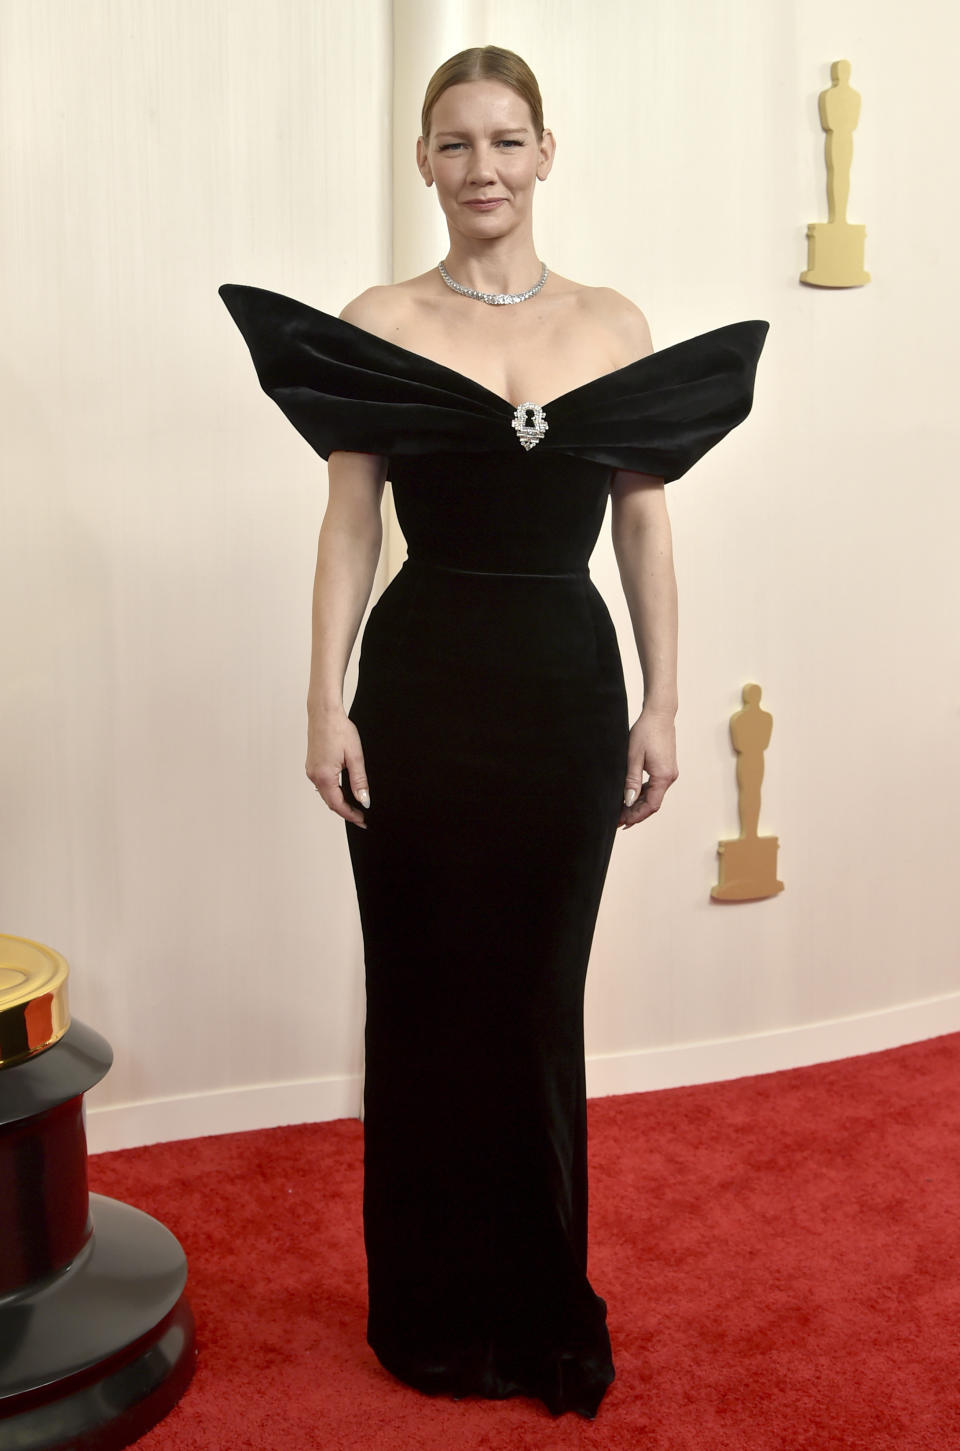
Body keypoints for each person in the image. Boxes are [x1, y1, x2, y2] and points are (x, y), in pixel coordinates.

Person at [220, 44, 767, 1421]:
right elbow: (350, 524)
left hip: (565, 696)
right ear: (424, 161)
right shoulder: (381, 319)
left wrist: (663, 700)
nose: (484, 169)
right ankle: (427, 1314)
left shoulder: (614, 324)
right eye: (456, 144)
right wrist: (321, 699)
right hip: (420, 690)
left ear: (547, 153)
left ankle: (533, 1306)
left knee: (532, 1006)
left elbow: (644, 522)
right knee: (423, 999)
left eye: (506, 141)